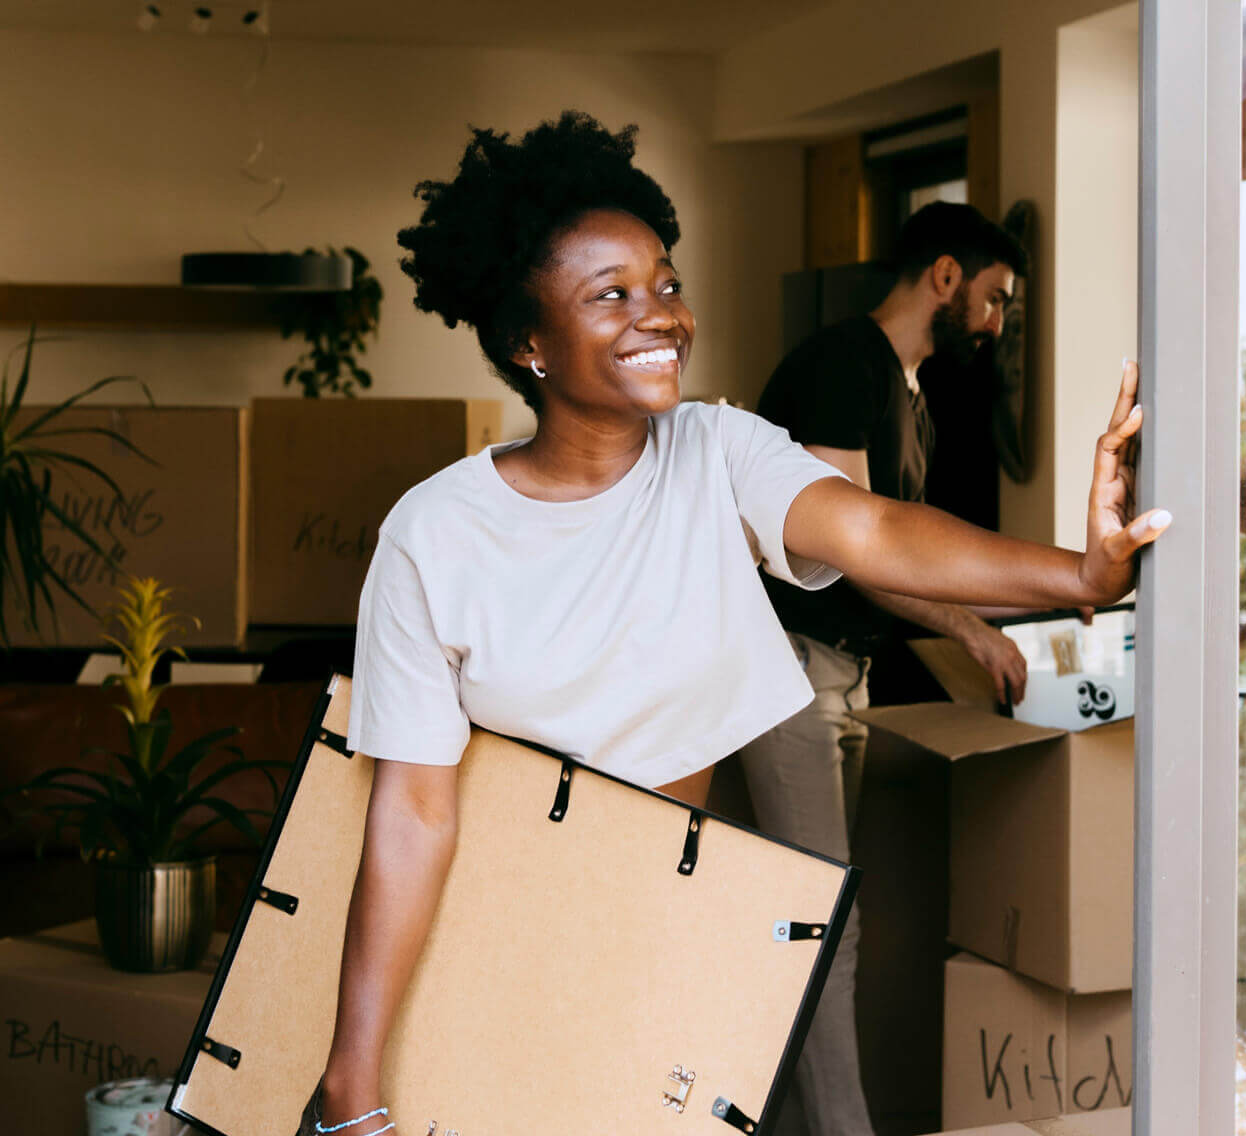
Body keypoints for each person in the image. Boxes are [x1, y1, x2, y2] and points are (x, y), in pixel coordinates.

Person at [304, 113, 1168, 1136]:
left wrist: (1080, 573)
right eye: (610, 295)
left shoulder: (715, 453)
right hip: (487, 954)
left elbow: (878, 528)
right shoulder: (435, 533)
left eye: (665, 284)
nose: (658, 315)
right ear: (527, 341)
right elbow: (410, 813)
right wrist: (351, 1083)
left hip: (667, 942)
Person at [740, 203, 1038, 1136]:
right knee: (822, 918)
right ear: (945, 277)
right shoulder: (841, 366)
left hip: (842, 676)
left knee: (808, 916)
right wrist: (972, 631)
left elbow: (910, 556)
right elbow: (865, 552)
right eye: (993, 299)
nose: (994, 325)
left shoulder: (915, 402)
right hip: (786, 669)